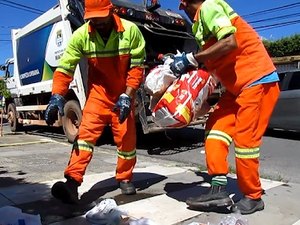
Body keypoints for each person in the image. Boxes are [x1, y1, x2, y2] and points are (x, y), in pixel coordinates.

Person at [170, 0, 280, 215]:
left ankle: (253, 196)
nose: (182, 10)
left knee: (245, 142)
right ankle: (218, 189)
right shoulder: (199, 24)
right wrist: (200, 101)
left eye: (182, 5)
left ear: (186, 4)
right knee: (215, 130)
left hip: (257, 80)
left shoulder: (209, 6)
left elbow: (230, 42)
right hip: (236, 88)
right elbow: (216, 66)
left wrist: (192, 58)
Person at [44, 0, 146, 204]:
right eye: (92, 19)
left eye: (101, 17)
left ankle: (124, 178)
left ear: (111, 11)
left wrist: (127, 95)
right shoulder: (81, 35)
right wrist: (57, 96)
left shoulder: (131, 31)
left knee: (126, 140)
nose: (97, 23)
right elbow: (65, 68)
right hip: (98, 96)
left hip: (122, 96)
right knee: (84, 137)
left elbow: (136, 68)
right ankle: (72, 183)